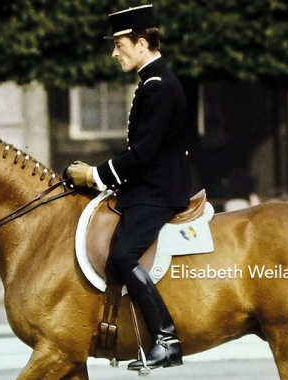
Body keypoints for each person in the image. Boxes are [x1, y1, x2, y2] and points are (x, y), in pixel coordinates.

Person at [66, 4, 191, 371]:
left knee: (122, 255)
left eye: (119, 44)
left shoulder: (158, 87)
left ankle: (166, 338)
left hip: (157, 192)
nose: (114, 52)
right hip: (147, 187)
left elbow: (142, 154)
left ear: (140, 43)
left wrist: (95, 175)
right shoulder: (154, 83)